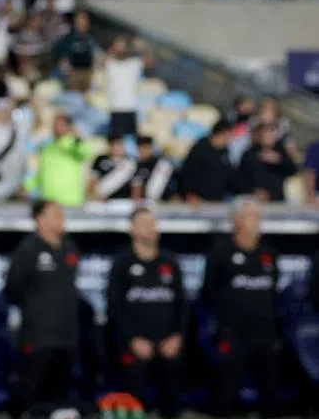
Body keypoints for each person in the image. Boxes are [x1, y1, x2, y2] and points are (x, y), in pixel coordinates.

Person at [201, 198, 280, 418]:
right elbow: (209, 291)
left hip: (265, 333)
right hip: (233, 334)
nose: (257, 222)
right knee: (225, 393)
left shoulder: (269, 253)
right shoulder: (221, 253)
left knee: (269, 392)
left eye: (259, 216)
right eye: (251, 216)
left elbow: (272, 288)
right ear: (236, 220)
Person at [105, 207, 186, 418]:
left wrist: (177, 336)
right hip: (134, 345)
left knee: (171, 402)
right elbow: (114, 307)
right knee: (133, 403)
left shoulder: (170, 262)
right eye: (143, 224)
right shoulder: (122, 263)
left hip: (169, 344)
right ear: (132, 229)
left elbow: (182, 305)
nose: (150, 229)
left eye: (152, 224)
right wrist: (132, 339)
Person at [4, 200, 80, 418]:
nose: (61, 218)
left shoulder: (70, 247)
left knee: (59, 396)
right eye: (55, 214)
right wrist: (36, 311)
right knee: (29, 390)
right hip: (37, 337)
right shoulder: (28, 249)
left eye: (61, 213)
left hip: (66, 336)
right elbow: (12, 289)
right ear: (40, 220)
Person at [29, 114, 92, 207]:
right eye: (55, 125)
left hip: (69, 201)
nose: (56, 128)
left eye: (60, 125)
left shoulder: (73, 144)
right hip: (48, 200)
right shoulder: (47, 147)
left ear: (69, 127)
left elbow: (84, 152)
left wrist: (77, 138)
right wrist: (27, 185)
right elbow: (42, 172)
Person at [234, 121, 298, 202]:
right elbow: (240, 177)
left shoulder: (281, 152)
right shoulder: (249, 153)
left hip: (276, 200)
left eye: (270, 134)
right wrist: (253, 191)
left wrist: (279, 160)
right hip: (254, 200)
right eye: (264, 134)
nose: (267, 137)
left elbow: (292, 171)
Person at [103, 36, 150, 139]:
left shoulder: (134, 63)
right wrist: (115, 47)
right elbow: (102, 60)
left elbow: (149, 62)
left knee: (132, 138)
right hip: (116, 108)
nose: (121, 48)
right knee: (117, 139)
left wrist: (142, 48)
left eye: (123, 46)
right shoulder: (111, 64)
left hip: (131, 107)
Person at [178, 121, 233, 204]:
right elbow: (186, 173)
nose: (231, 139)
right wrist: (189, 194)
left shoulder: (225, 152)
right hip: (197, 202)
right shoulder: (200, 148)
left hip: (217, 202)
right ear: (222, 133)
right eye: (229, 135)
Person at [89, 135, 139, 201]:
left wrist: (135, 199)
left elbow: (136, 184)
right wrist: (96, 196)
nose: (116, 148)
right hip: (103, 200)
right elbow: (93, 179)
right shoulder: (100, 159)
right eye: (114, 145)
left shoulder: (130, 161)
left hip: (124, 200)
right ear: (109, 146)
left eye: (119, 145)